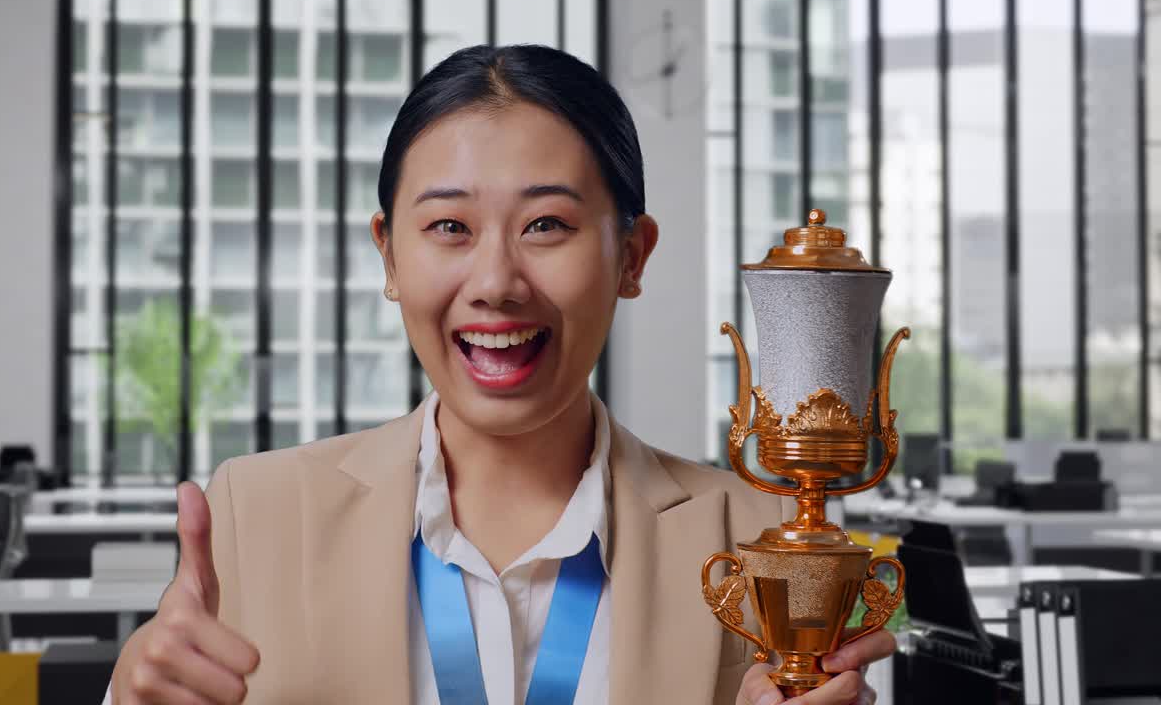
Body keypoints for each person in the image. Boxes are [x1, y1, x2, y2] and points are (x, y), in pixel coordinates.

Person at [106, 44, 894, 705]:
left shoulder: (762, 539)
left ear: (631, 255)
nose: (496, 281)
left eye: (546, 225)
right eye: (449, 227)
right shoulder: (258, 516)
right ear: (388, 252)